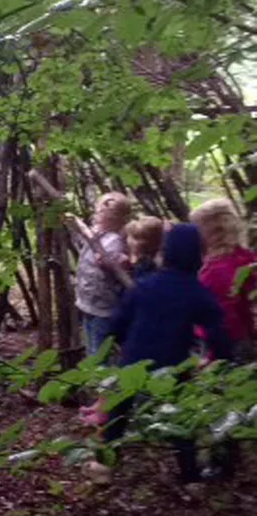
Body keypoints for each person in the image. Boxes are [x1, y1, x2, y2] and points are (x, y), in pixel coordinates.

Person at [96, 224, 232, 485]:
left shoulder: (145, 286)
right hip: (173, 364)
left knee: (118, 414)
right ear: (198, 255)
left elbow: (117, 324)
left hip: (134, 360)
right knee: (181, 419)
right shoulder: (196, 292)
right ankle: (190, 477)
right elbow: (218, 331)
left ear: (164, 252)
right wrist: (220, 361)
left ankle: (103, 468)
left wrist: (125, 345)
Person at [80, 216, 164, 426]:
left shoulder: (148, 268)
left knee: (118, 369)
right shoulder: (144, 265)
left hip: (137, 329)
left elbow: (135, 294)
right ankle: (103, 405)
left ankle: (109, 412)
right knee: (116, 367)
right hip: (134, 327)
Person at [190, 199, 255, 363]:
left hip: (232, 344)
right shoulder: (247, 258)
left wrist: (214, 356)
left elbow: (223, 317)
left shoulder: (215, 270)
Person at [72, 192, 132, 357]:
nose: (96, 215)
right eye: (98, 211)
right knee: (91, 346)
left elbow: (113, 264)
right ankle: (98, 377)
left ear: (114, 219)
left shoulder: (116, 240)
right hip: (89, 300)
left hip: (104, 305)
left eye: (101, 213)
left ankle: (103, 380)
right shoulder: (97, 232)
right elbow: (82, 241)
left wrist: (109, 263)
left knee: (99, 351)